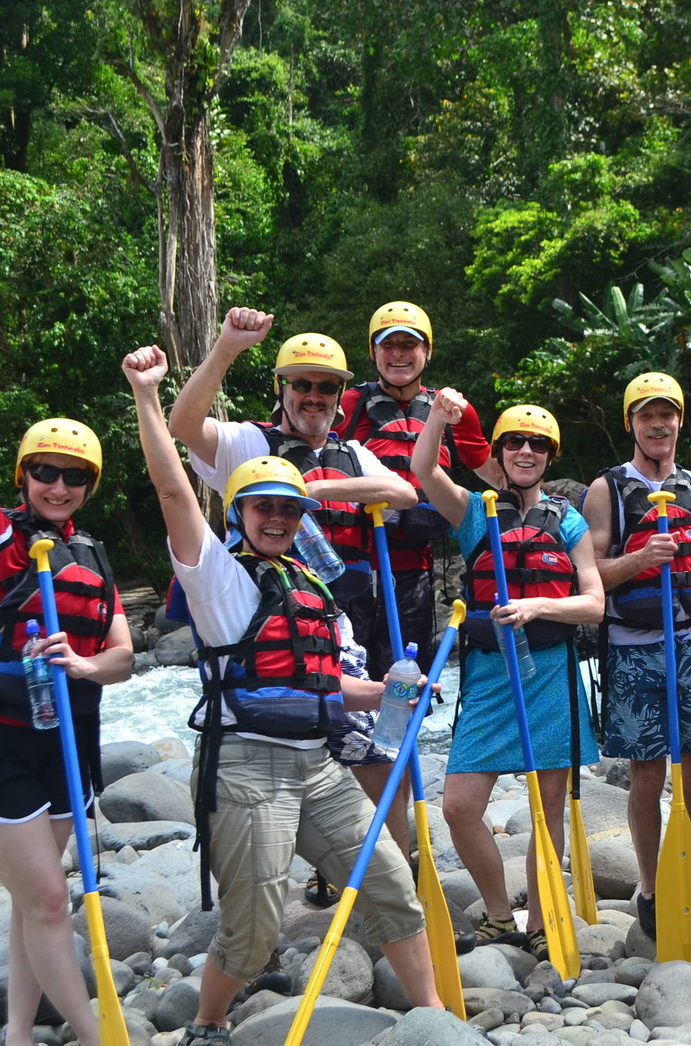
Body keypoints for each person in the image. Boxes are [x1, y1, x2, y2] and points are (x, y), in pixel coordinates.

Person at [125, 344, 442, 1044]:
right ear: (239, 511)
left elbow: (331, 684)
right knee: (253, 931)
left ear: (303, 516)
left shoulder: (317, 588)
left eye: (288, 509)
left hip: (320, 766)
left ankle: (434, 1021)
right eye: (262, 507)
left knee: (392, 884)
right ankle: (207, 1023)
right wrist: (148, 396)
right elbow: (175, 489)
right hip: (248, 767)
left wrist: (391, 691)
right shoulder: (217, 578)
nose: (276, 519)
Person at [0, 326, 135, 1046]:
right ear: (23, 475)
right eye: (44, 470)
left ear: (88, 486)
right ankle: (101, 1034)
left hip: (67, 738)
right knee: (50, 898)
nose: (57, 484)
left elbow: (122, 656)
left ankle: (19, 1032)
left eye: (73, 475)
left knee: (34, 901)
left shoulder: (90, 556)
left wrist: (81, 666)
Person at [411, 390, 605, 962]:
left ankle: (544, 921)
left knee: (547, 811)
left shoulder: (567, 520)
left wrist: (540, 607)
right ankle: (500, 915)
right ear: (498, 453)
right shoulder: (474, 511)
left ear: (549, 457)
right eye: (515, 443)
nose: (525, 451)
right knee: (459, 806)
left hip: (549, 672)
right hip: (492, 675)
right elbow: (422, 470)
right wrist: (438, 419)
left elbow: (593, 603)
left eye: (537, 445)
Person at [583, 372, 691, 937]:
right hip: (635, 650)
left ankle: (688, 865)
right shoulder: (606, 490)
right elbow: (594, 573)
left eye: (667, 415)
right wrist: (641, 559)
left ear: (679, 421)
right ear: (631, 423)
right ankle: (652, 886)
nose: (658, 424)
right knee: (647, 772)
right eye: (646, 415)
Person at [169, 308, 415, 658]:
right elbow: (183, 425)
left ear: (338, 394)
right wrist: (227, 348)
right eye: (302, 385)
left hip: (338, 615)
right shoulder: (249, 444)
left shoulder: (355, 455)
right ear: (281, 388)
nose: (314, 396)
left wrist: (313, 491)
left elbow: (404, 494)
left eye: (327, 387)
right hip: (263, 612)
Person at [337, 300, 497, 673]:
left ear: (427, 351)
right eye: (387, 345)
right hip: (353, 568)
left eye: (408, 345)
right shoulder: (346, 405)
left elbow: (495, 474)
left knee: (409, 680)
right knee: (349, 677)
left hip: (415, 570)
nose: (398, 355)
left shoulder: (454, 412)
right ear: (373, 352)